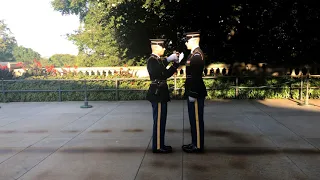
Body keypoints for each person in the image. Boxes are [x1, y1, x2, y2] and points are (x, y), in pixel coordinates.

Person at [146, 39, 184, 153]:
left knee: (162, 121)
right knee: (158, 121)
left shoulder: (158, 60)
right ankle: (157, 146)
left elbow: (165, 74)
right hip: (157, 94)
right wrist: (168, 59)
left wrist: (176, 63)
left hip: (161, 93)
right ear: (157, 48)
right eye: (163, 47)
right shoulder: (152, 60)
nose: (164, 49)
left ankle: (160, 144)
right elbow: (158, 70)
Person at [181, 32, 207, 153]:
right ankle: (194, 142)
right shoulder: (193, 55)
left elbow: (196, 77)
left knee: (196, 119)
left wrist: (193, 93)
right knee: (193, 119)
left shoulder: (197, 55)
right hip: (193, 91)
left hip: (195, 92)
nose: (186, 42)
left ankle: (197, 145)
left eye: (187, 40)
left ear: (193, 40)